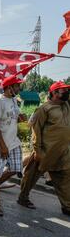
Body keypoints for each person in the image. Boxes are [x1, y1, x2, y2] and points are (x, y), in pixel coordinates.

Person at [18, 81, 70, 216]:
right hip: (45, 152)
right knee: (31, 176)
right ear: (54, 93)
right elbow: (36, 131)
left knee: (64, 180)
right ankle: (23, 198)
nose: (66, 92)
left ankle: (67, 206)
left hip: (63, 152)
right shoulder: (44, 109)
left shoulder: (66, 105)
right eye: (63, 90)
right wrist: (37, 150)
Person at [0, 76, 27, 217]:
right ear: (9, 87)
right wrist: (2, 146)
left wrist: (21, 118)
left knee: (16, 168)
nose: (19, 89)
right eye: (17, 86)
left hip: (13, 142)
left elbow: (13, 116)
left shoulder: (14, 99)